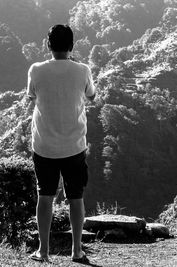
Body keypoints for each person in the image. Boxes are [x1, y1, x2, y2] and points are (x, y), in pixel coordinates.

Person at [27, 24, 96, 263]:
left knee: (44, 197)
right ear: (72, 45)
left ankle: (43, 251)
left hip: (44, 145)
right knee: (75, 197)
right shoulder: (83, 69)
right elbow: (91, 95)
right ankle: (77, 251)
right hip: (74, 145)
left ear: (48, 45)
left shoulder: (36, 69)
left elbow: (32, 95)